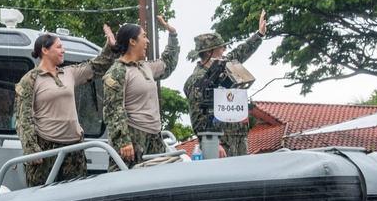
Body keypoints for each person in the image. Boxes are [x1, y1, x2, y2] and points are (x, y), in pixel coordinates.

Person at [15, 25, 116, 187]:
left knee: (76, 195)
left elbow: (96, 66)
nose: (63, 51)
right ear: (45, 51)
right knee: (43, 198)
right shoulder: (29, 80)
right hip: (46, 149)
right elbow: (23, 117)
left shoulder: (68, 73)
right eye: (59, 47)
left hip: (74, 148)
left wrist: (110, 47)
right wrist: (31, 148)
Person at [184, 9, 267, 158]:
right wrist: (212, 143)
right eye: (221, 47)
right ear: (210, 51)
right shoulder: (197, 80)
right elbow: (198, 117)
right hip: (220, 145)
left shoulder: (223, 67)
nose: (224, 49)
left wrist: (259, 35)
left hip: (239, 140)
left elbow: (240, 52)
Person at [103, 16, 179, 171]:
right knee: (128, 186)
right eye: (144, 37)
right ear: (132, 41)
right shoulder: (117, 72)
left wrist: (173, 36)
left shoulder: (146, 67)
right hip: (133, 138)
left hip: (154, 137)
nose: (147, 41)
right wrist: (123, 140)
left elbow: (168, 64)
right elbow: (113, 110)